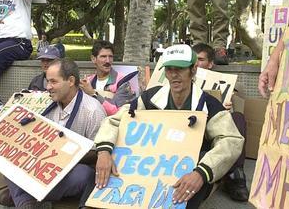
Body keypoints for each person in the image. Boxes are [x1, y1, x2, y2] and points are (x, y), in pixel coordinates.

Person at [93, 44, 243, 208]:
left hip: (188, 171)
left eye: (180, 69)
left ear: (193, 69)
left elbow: (230, 140)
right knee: (99, 181)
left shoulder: (209, 105)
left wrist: (201, 173)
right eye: (169, 69)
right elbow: (116, 120)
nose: (174, 75)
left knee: (182, 197)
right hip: (147, 165)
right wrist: (104, 152)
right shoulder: (150, 97)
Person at [0, 59, 107, 207]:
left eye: (53, 82)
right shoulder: (46, 102)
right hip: (38, 162)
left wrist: (63, 154)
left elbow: (98, 152)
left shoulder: (93, 111)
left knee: (84, 175)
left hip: (70, 167)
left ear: (70, 81)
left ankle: (22, 196)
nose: (48, 87)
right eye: (47, 81)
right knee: (6, 154)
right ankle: (27, 200)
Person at [192, 43, 249, 202]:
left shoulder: (228, 85)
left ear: (210, 64)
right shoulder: (181, 81)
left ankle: (236, 175)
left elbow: (227, 129)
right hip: (193, 131)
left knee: (237, 118)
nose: (196, 63)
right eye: (193, 60)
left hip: (216, 130)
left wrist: (222, 108)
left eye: (201, 59)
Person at [80, 40, 136, 115]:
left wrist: (93, 94)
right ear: (93, 59)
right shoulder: (88, 81)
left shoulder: (122, 81)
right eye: (103, 56)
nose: (108, 61)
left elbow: (119, 113)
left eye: (110, 57)